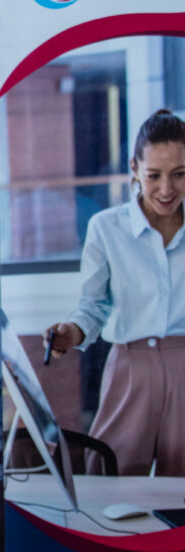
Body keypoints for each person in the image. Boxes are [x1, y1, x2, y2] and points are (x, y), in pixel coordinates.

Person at [44, 109, 185, 477]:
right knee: (109, 475)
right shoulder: (106, 228)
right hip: (129, 368)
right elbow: (92, 306)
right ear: (134, 169)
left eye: (179, 174)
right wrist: (71, 333)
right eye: (154, 175)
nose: (166, 189)